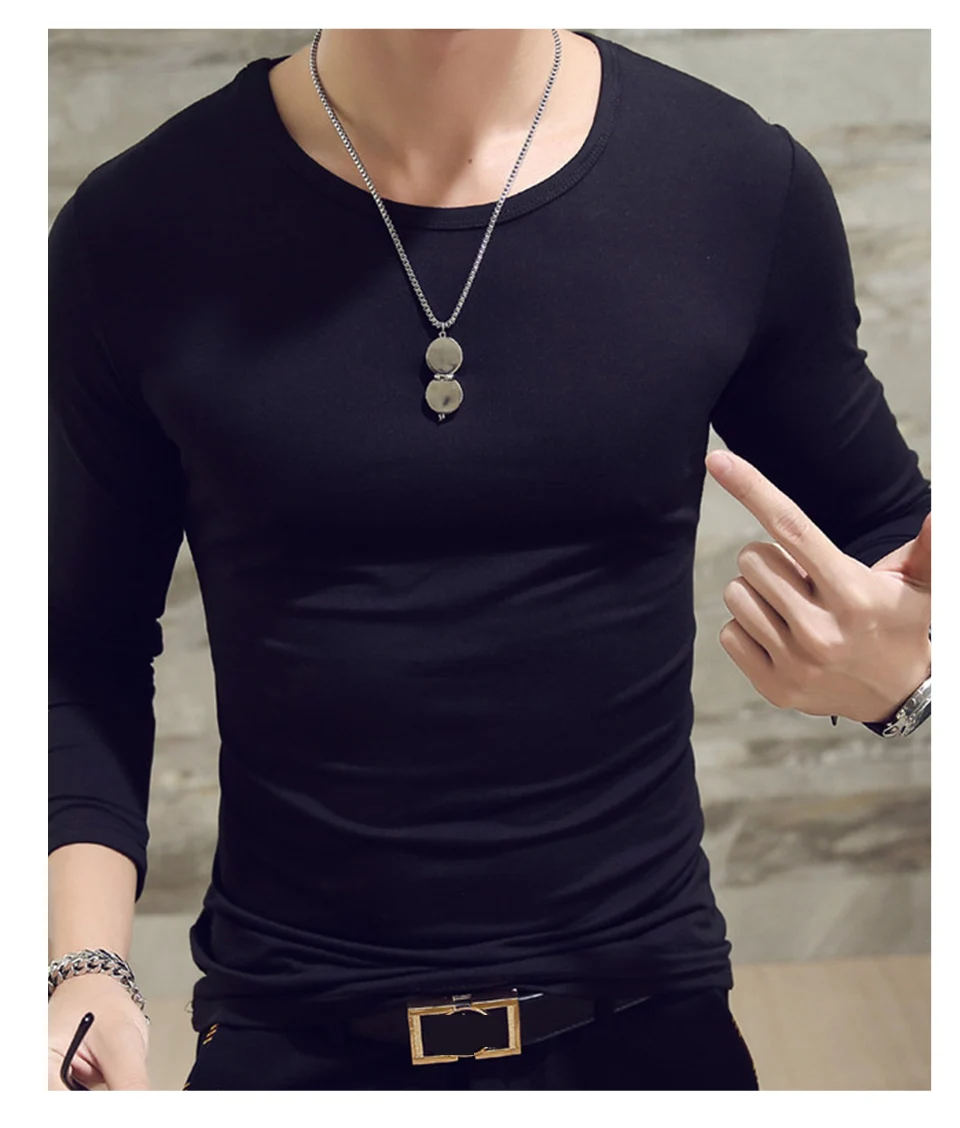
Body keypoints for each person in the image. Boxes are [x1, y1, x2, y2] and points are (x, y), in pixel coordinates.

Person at [48, 28, 931, 1091]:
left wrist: (907, 684)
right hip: (290, 1022)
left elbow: (895, 540)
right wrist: (86, 971)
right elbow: (78, 647)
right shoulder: (136, 227)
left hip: (647, 1011)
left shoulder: (735, 181)